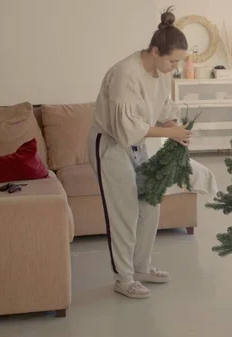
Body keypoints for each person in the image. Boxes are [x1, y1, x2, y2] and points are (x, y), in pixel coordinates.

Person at [86, 6, 192, 299]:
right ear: (155, 52)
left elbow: (164, 110)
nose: (175, 67)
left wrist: (175, 128)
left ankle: (141, 266)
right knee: (125, 211)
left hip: (135, 144)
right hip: (110, 144)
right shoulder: (125, 74)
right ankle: (124, 278)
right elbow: (128, 129)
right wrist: (172, 133)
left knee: (150, 202)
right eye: (173, 61)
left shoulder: (160, 72)